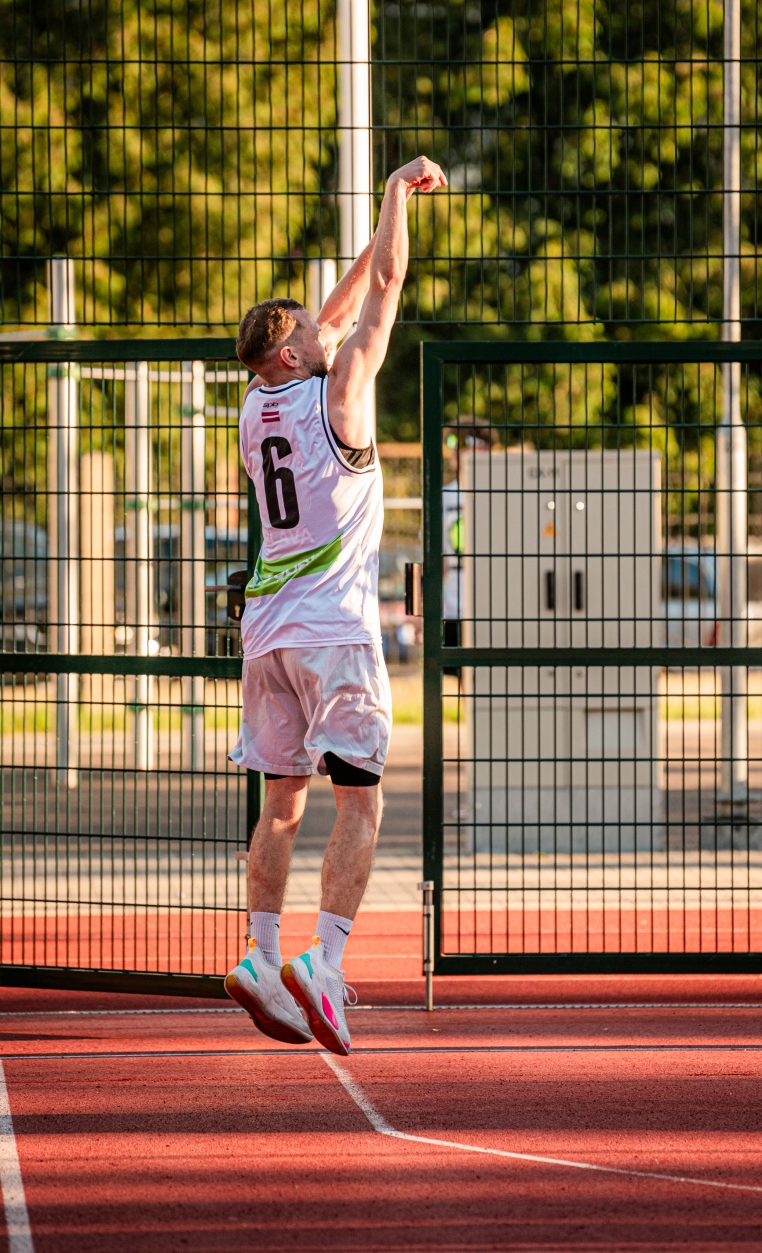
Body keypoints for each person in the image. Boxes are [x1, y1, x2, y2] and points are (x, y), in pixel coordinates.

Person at [224, 155, 447, 1054]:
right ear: (293, 354)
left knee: (281, 804)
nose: (330, 329)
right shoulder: (342, 395)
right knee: (361, 804)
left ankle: (260, 954)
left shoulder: (254, 406)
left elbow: (336, 310)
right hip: (333, 631)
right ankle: (324, 961)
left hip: (267, 630)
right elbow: (382, 288)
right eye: (314, 332)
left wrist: (340, 287)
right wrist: (396, 196)